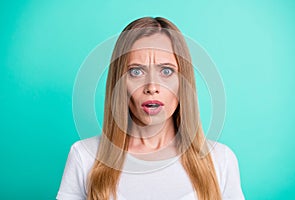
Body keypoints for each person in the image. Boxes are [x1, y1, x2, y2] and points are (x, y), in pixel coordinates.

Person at [57, 17, 245, 200]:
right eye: (136, 71)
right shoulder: (84, 155)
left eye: (166, 71)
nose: (152, 86)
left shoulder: (221, 159)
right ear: (119, 83)